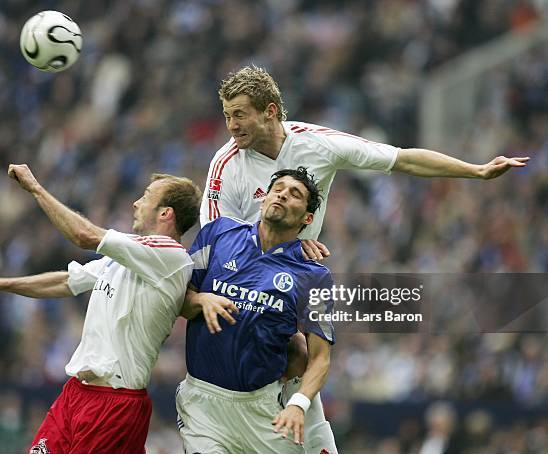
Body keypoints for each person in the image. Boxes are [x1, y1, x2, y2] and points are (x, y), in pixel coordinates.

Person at [199, 65, 531, 453]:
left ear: (270, 111)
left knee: (307, 357)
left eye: (239, 114)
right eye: (226, 116)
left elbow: (402, 159)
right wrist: (285, 244)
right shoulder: (226, 163)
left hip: (297, 281)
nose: (231, 126)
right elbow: (217, 241)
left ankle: (303, 421)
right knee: (294, 356)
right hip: (243, 282)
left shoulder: (318, 144)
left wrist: (475, 171)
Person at [0, 164, 202, 454]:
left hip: (114, 404)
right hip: (77, 394)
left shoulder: (171, 258)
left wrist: (36, 188)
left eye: (145, 197)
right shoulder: (133, 252)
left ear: (165, 213)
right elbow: (67, 281)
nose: (136, 202)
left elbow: (84, 235)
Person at [177, 166, 335, 453]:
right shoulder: (218, 234)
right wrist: (201, 300)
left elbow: (321, 357)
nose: (283, 195)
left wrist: (298, 405)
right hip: (203, 405)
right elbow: (180, 302)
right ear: (264, 199)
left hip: (263, 410)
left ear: (307, 218)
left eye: (294, 194)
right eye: (278, 189)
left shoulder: (314, 275)